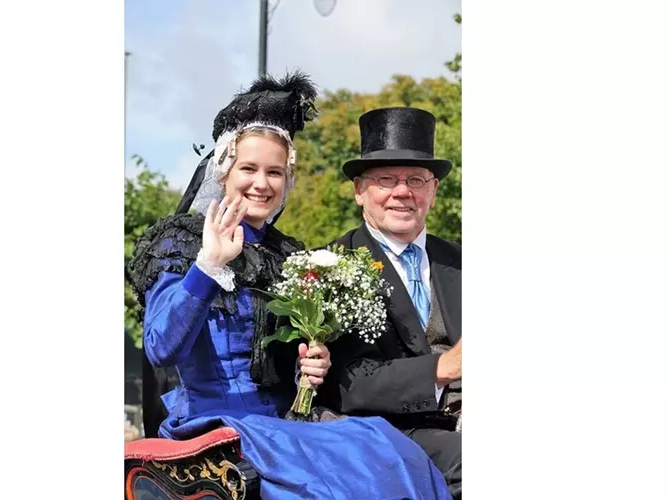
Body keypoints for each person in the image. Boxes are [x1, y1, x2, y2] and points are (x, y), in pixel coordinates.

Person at [128, 74, 451, 499]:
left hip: (286, 424)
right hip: (214, 424)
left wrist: (307, 368)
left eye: (274, 172)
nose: (261, 184)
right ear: (224, 171)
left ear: (287, 180)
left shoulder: (288, 255)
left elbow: (281, 358)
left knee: (393, 454)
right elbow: (160, 347)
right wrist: (208, 267)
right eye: (249, 168)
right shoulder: (183, 240)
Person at [319, 107, 462, 498]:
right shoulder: (330, 266)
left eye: (416, 179)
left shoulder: (463, 261)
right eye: (386, 180)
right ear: (359, 191)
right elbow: (347, 383)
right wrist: (443, 368)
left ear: (433, 191)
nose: (403, 192)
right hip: (389, 432)